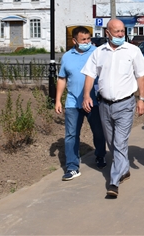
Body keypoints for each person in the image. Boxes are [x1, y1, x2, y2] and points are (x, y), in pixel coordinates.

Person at [81, 19, 144, 198]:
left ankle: (113, 182)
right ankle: (124, 169)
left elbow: (140, 76)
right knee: (111, 142)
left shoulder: (132, 51)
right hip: (104, 104)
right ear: (107, 33)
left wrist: (141, 99)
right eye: (117, 31)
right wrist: (87, 95)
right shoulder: (98, 52)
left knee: (119, 142)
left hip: (125, 104)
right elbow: (90, 74)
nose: (121, 34)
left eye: (122, 31)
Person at [55, 26, 107, 181]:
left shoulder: (96, 53)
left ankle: (100, 155)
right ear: (74, 41)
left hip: (94, 102)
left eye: (88, 39)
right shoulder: (67, 56)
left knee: (98, 132)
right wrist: (58, 100)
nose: (87, 42)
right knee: (71, 135)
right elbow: (62, 78)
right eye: (83, 39)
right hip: (72, 102)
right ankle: (72, 166)